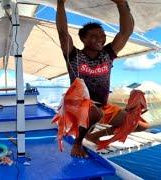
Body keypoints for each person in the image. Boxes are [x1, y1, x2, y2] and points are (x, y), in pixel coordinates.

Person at [56, 0, 148, 158]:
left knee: (140, 125)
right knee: (96, 113)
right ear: (83, 39)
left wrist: (121, 4)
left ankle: (95, 136)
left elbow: (125, 32)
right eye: (94, 36)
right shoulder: (74, 56)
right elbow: (63, 34)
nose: (100, 39)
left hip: (102, 107)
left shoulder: (107, 54)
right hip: (78, 107)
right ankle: (78, 143)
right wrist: (60, 4)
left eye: (103, 35)